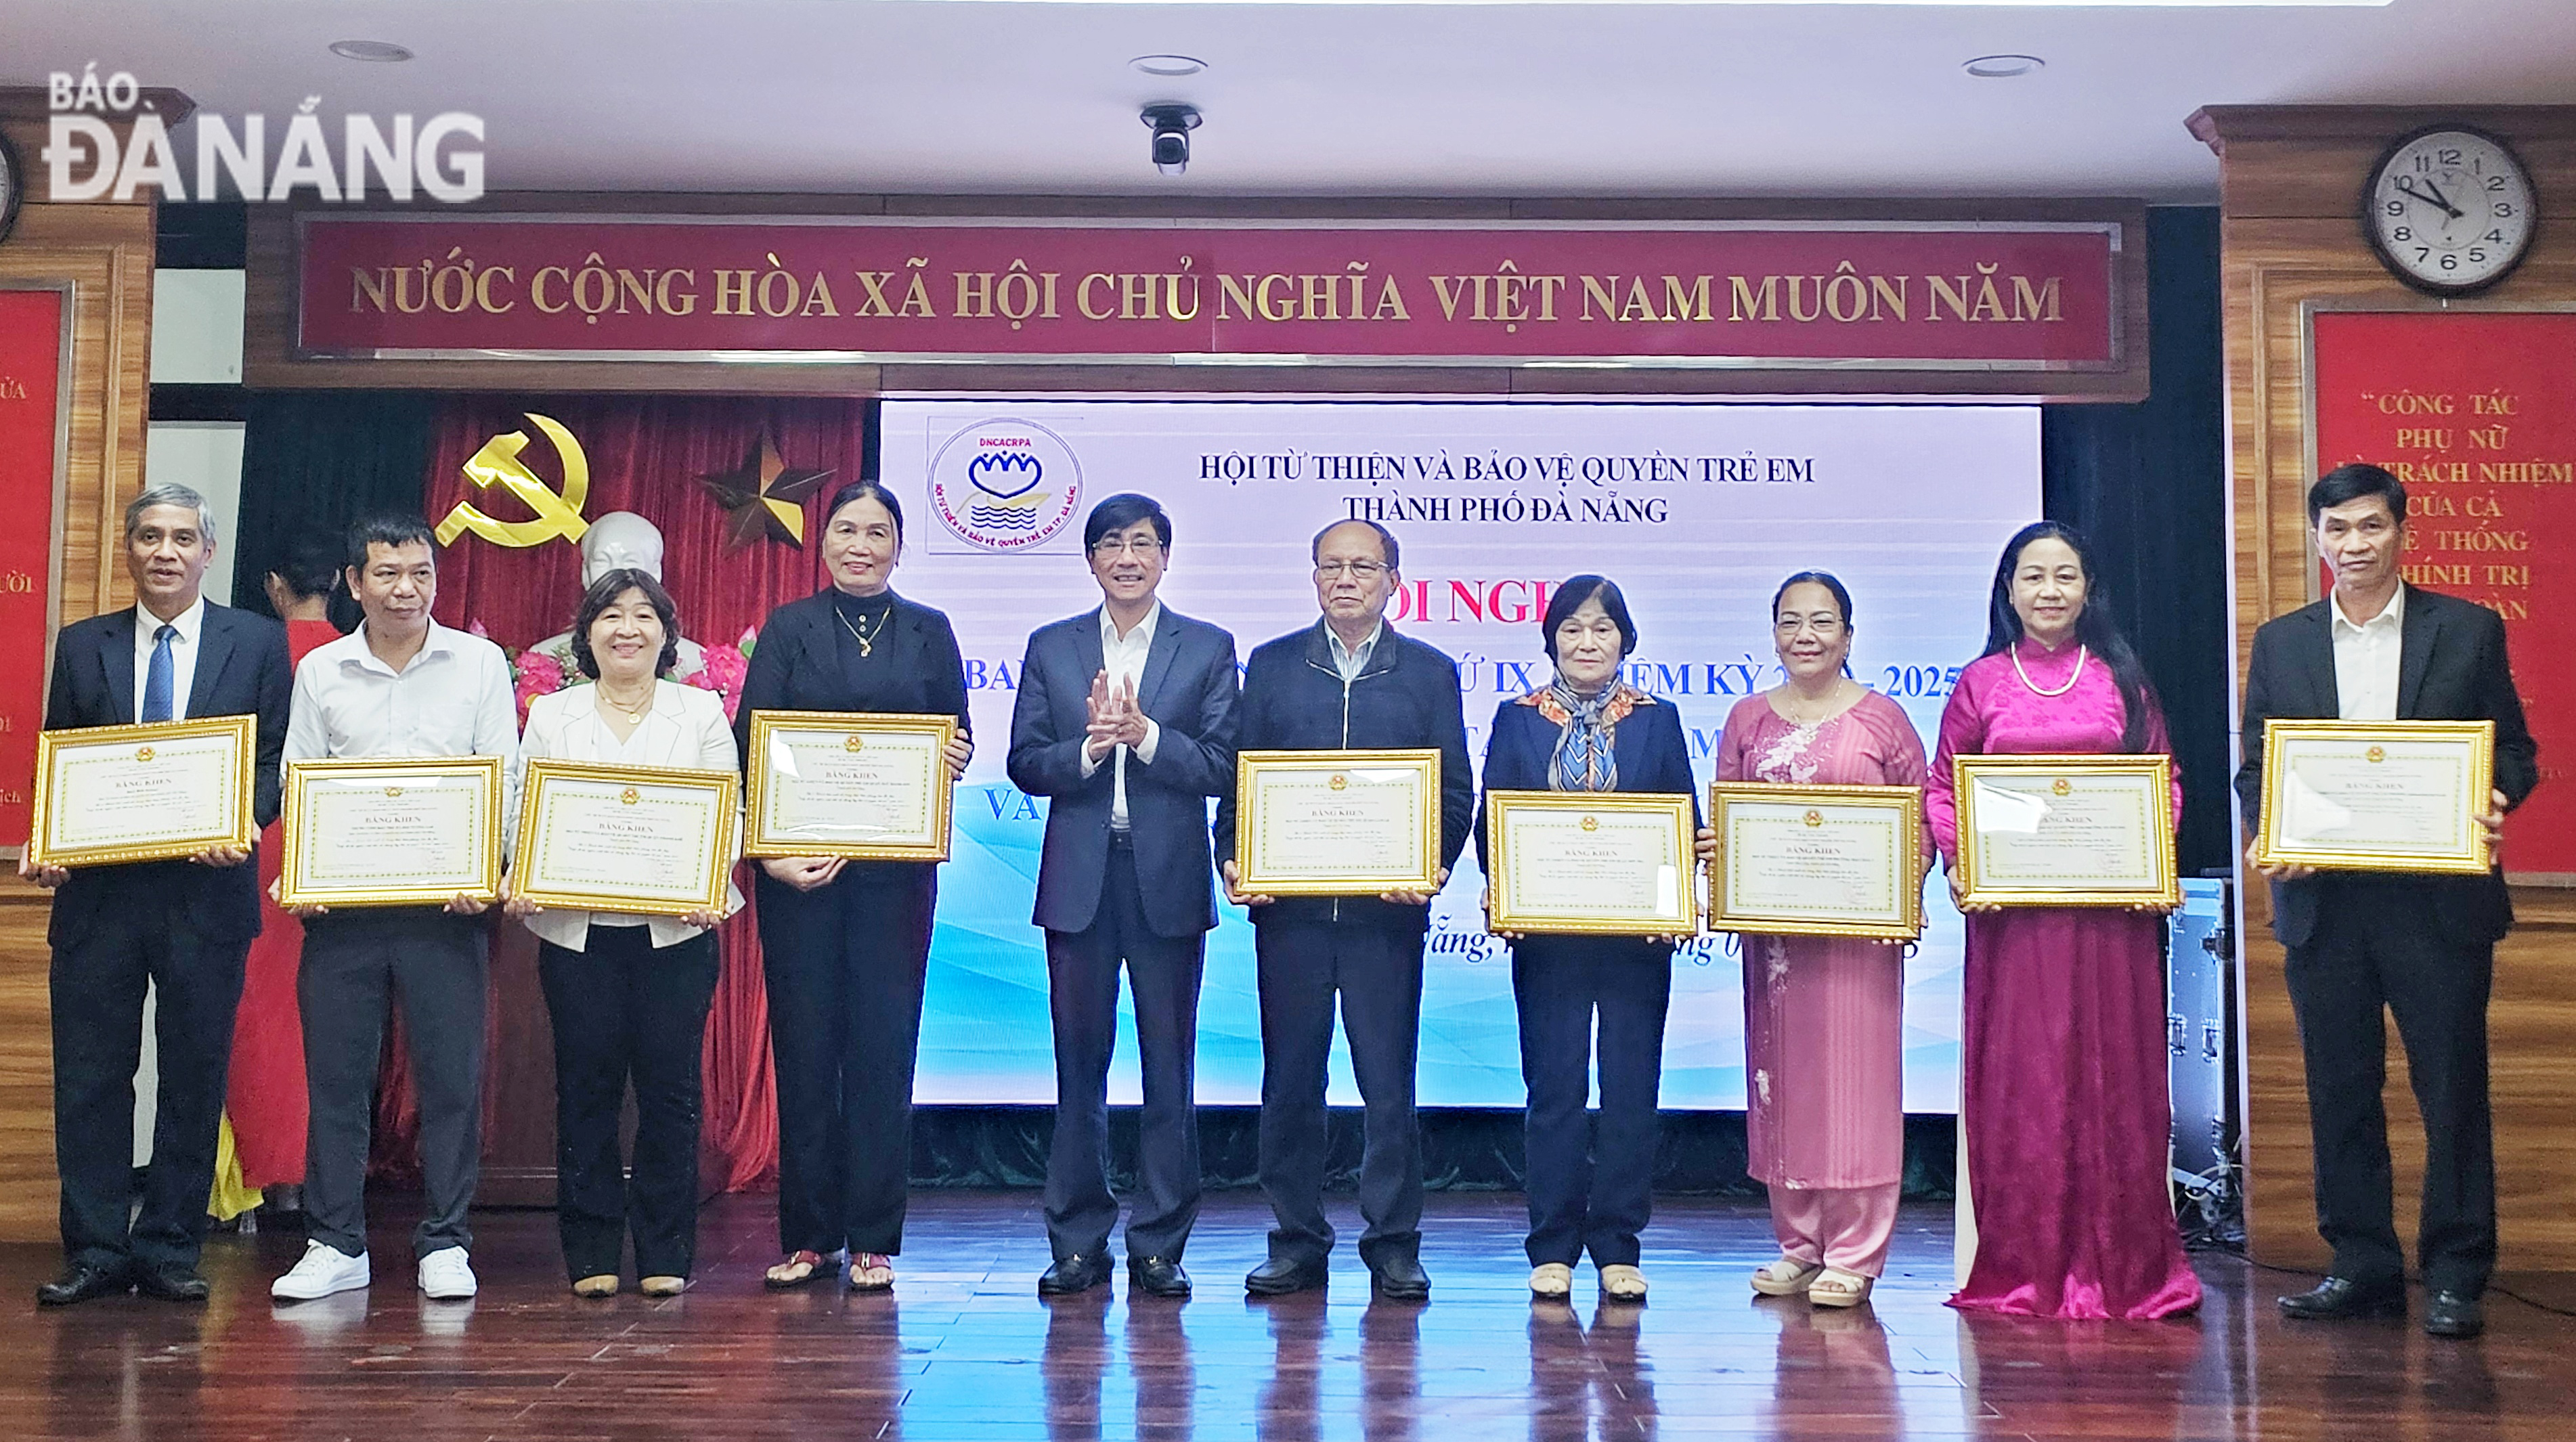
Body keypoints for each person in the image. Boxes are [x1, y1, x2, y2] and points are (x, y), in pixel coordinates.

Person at [2238, 464, 2537, 1341]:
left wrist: (2494, 796)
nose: (2355, 546)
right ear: (2317, 537)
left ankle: (2454, 1273)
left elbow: (2513, 749)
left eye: (2371, 527)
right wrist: (2268, 826)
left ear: (2402, 532)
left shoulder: (2469, 629)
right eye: (2338, 530)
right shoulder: (2283, 640)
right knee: (2340, 1088)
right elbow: (2258, 763)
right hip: (2324, 903)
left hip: (2437, 903)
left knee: (2450, 1090)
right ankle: (2361, 1263)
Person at [1923, 521, 2201, 1321]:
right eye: (2032, 576)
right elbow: (1946, 788)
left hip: (2109, 922)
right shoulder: (1980, 683)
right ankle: (2024, 1266)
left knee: (2114, 1080)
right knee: (2028, 1084)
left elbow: (2165, 781)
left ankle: (2128, 1270)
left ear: (2088, 590)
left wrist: (2149, 857)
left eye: (2065, 576)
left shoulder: (2124, 679)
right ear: (2007, 591)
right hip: (2016, 927)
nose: (2049, 591)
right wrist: (1957, 859)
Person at [23, 485, 292, 1306]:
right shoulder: (81, 645)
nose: (165, 552)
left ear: (209, 552)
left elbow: (273, 760)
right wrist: (52, 840)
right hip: (100, 899)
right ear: (129, 551)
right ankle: (98, 1247)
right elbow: (61, 763)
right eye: (149, 537)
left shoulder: (256, 643)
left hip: (206, 894)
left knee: (191, 1074)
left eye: (182, 538)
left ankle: (170, 1246)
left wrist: (241, 819)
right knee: (92, 1076)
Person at [1215, 518, 1472, 1303]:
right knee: (1290, 1082)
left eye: (1364, 566)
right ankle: (1295, 1241)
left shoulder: (1428, 672)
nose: (1347, 579)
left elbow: (1453, 790)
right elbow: (1237, 780)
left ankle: (1393, 1243)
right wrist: (1232, 856)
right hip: (1288, 915)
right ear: (1313, 576)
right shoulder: (1271, 665)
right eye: (1332, 565)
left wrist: (1431, 864)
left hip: (1384, 918)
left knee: (1387, 1086)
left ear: (1394, 579)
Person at [268, 515, 521, 1305]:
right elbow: (297, 776)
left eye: (420, 573)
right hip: (344, 908)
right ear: (354, 582)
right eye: (387, 573)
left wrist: (492, 869)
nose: (406, 589)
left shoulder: (478, 663)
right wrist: (307, 869)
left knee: (450, 1080)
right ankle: (335, 1240)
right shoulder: (322, 673)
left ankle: (446, 1240)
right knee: (337, 1080)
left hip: (447, 905)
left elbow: (503, 777)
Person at [737, 479, 973, 1294]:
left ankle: (873, 1236)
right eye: (846, 530)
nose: (861, 545)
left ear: (899, 546)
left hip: (894, 878)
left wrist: (953, 760)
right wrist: (771, 852)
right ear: (825, 543)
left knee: (882, 1048)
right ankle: (809, 1237)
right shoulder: (789, 629)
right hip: (799, 876)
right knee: (806, 1050)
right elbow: (753, 747)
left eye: (877, 531)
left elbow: (956, 735)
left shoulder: (929, 631)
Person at [1008, 494, 1240, 1301]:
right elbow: (1024, 762)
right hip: (1080, 879)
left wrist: (1142, 737)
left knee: (1168, 1067)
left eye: (1143, 543)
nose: (1128, 557)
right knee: (1079, 1066)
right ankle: (1075, 1241)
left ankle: (1159, 1244)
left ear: (1165, 558)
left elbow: (1220, 765)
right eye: (1112, 544)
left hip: (1167, 879)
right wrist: (1086, 748)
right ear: (1092, 560)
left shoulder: (1206, 648)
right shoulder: (1053, 646)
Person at [505, 568, 742, 1299]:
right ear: (588, 634)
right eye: (611, 615)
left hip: (676, 932)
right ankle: (591, 1252)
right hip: (579, 935)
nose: (627, 629)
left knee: (671, 1094)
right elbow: (523, 807)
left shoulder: (700, 712)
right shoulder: (554, 715)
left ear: (666, 633)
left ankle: (666, 1250)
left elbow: (726, 811)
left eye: (644, 615)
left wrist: (707, 880)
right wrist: (523, 871)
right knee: (586, 1090)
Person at [1475, 575, 1695, 1305]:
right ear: (1550, 640)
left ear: (1625, 640)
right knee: (1555, 1089)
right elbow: (1492, 819)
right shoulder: (1517, 719)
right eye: (1572, 629)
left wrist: (1671, 905)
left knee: (1632, 1088)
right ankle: (1553, 1244)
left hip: (1635, 938)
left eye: (1601, 629)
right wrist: (1504, 887)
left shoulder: (1657, 721)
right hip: (1548, 935)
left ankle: (1618, 1243)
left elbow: (1679, 819)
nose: (1587, 642)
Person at [1715, 573, 1927, 1309]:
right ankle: (1797, 1245)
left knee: (1856, 1089)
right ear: (1773, 633)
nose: (1805, 635)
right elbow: (1728, 814)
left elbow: (1921, 818)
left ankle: (1857, 1253)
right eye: (1790, 621)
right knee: (1785, 1084)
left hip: (1857, 939)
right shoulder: (1746, 718)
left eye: (1822, 621)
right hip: (1776, 943)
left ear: (1848, 635)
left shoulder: (1882, 720)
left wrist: (1905, 891)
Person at [228, 538, 349, 1202]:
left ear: (275, 585)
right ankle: (311, 1177)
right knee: (321, 1013)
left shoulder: (256, 653)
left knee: (254, 1009)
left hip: (259, 842)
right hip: (331, 848)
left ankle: (252, 1177)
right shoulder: (349, 657)